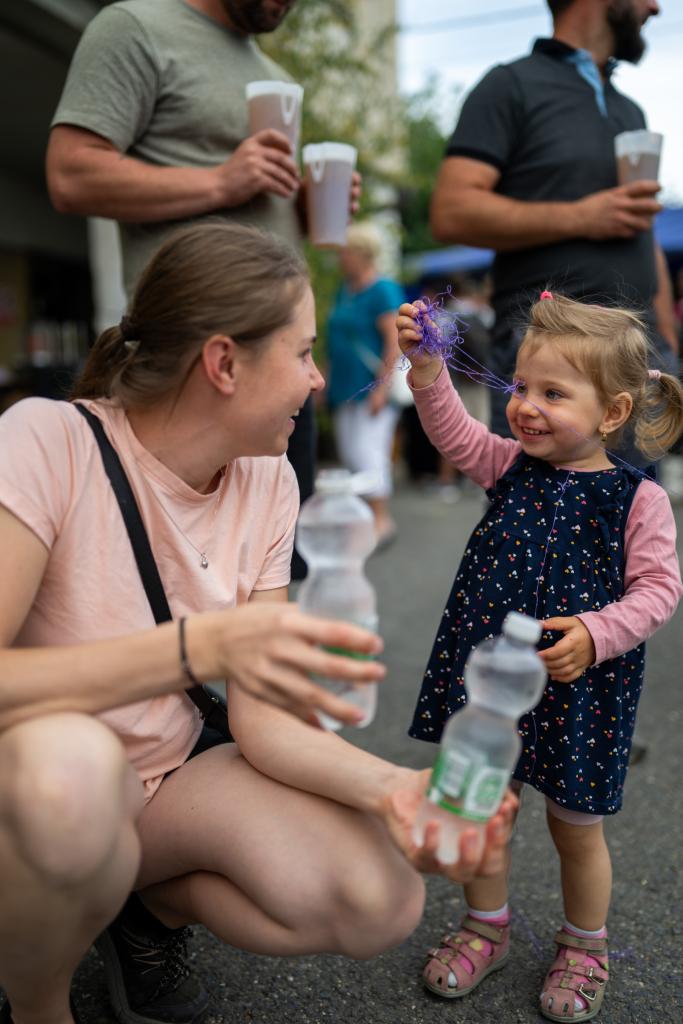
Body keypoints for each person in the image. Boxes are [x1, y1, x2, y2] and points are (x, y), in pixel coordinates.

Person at [0, 223, 515, 1024]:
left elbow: (260, 720)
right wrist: (194, 647)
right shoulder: (48, 439)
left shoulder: (268, 479)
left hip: (161, 789)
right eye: (303, 352)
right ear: (224, 363)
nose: (318, 379)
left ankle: (136, 910)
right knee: (72, 777)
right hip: (39, 786)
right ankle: (40, 1000)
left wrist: (394, 791)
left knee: (380, 900)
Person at [396, 291, 683, 1021]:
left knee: (574, 828)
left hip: (581, 687)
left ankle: (584, 945)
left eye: (553, 394)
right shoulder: (508, 465)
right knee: (482, 806)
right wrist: (428, 371)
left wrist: (596, 632)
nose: (525, 406)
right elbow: (455, 433)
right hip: (493, 682)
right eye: (522, 386)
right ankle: (484, 926)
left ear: (612, 413)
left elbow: (658, 591)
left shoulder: (638, 500)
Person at [46, 0, 360, 579]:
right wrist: (220, 180)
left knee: (275, 574)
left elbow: (259, 204)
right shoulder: (135, 28)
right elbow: (70, 174)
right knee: (168, 579)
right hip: (191, 370)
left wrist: (307, 209)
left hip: (277, 369)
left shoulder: (273, 73)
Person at [430, 0, 678, 449]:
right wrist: (583, 216)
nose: (655, 7)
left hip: (637, 353)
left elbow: (641, 229)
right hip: (548, 355)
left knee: (637, 496)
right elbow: (451, 211)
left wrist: (667, 341)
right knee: (536, 497)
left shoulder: (630, 110)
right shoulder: (509, 86)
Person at [326, 222, 404, 546]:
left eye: (345, 252)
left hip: (370, 388)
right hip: (344, 387)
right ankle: (363, 519)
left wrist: (381, 389)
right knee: (350, 453)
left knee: (369, 451)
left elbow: (393, 342)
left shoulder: (382, 289)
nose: (341, 258)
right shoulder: (345, 290)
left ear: (362, 254)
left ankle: (381, 520)